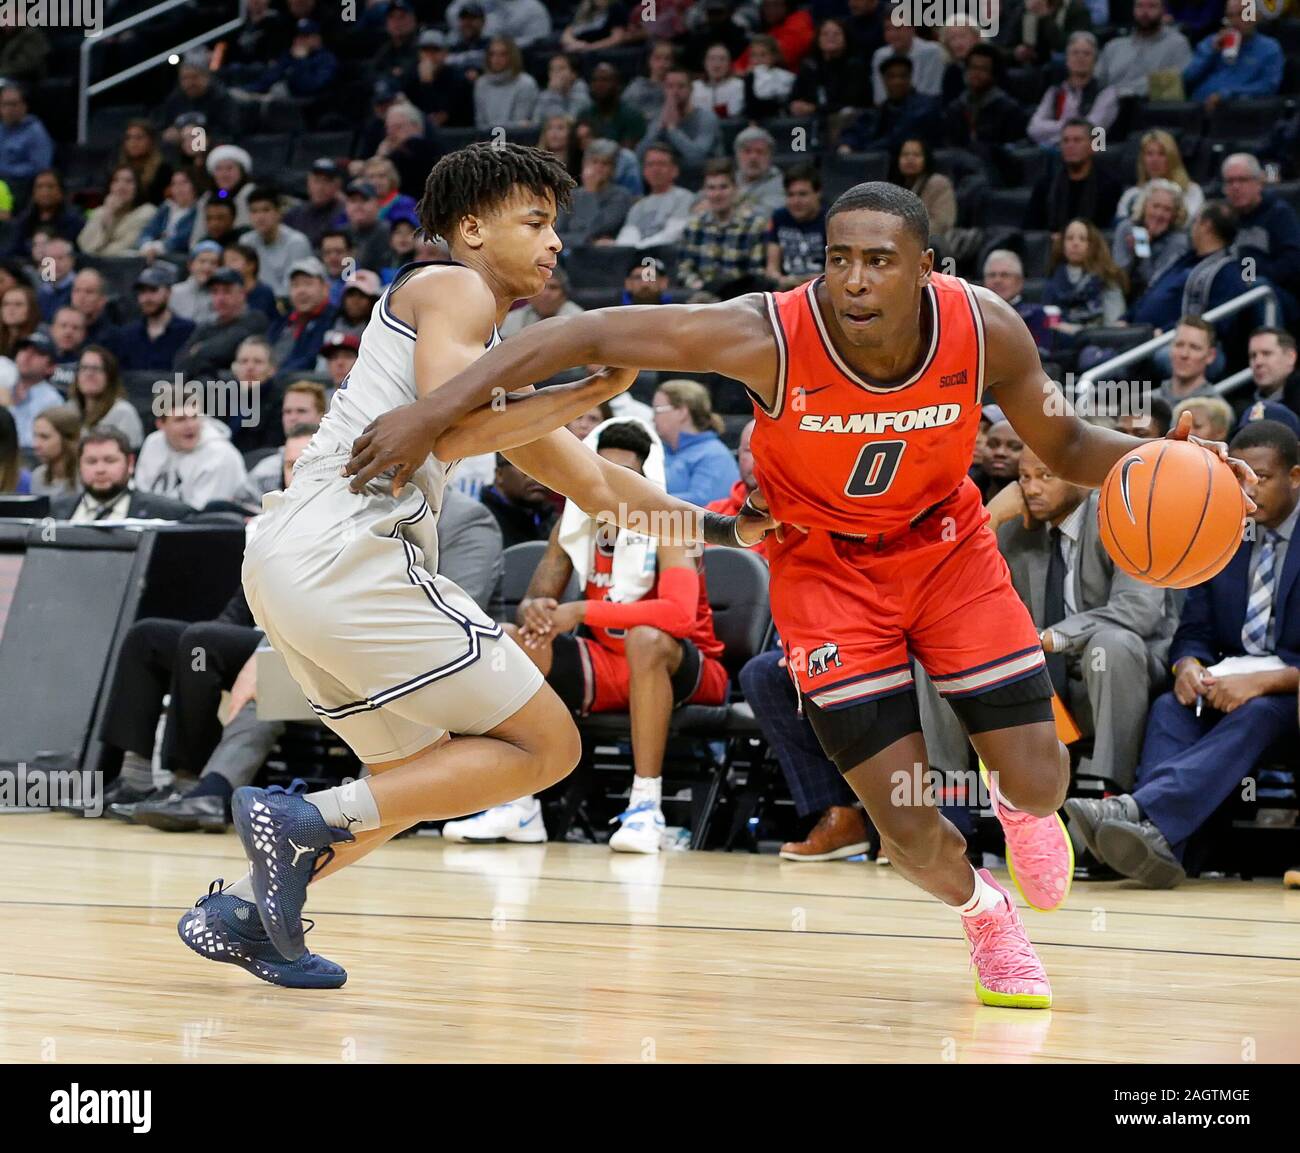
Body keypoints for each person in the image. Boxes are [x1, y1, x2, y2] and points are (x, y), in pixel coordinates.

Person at [347, 179, 1256, 1009]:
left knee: (1040, 773)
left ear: (927, 271)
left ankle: (1020, 805)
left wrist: (1163, 461)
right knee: (902, 818)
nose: (853, 280)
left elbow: (1062, 447)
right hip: (822, 569)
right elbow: (576, 334)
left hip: (946, 550)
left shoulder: (985, 329)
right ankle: (986, 916)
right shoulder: (766, 333)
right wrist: (431, 412)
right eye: (838, 259)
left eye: (878, 261)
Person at [183, 143, 772, 989]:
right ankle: (300, 813)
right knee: (548, 743)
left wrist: (729, 530)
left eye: (558, 226)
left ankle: (240, 910)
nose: (555, 242)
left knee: (410, 782)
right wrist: (583, 390)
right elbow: (446, 426)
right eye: (535, 221)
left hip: (291, 564)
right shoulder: (450, 285)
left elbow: (601, 485)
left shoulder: (491, 356)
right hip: (346, 548)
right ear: (469, 229)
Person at [444, 419, 730, 851]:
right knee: (511, 639)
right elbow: (536, 601)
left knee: (646, 639)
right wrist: (537, 610)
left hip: (688, 670)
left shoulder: (671, 524)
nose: (614, 488)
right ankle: (519, 802)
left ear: (647, 480)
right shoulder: (575, 523)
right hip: (611, 664)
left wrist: (582, 610)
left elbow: (678, 618)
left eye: (627, 477)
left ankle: (646, 806)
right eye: (602, 473)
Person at [1066, 420, 1299, 888]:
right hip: (1225, 685)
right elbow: (1193, 631)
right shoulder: (1222, 531)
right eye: (1240, 478)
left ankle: (1137, 811)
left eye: (1262, 477)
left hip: (1285, 700)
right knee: (1171, 709)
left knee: (1259, 713)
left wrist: (1263, 683)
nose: (1248, 491)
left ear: (1296, 476)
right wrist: (1187, 665)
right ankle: (1163, 850)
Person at [997, 446, 1174, 790]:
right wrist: (989, 519)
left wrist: (1052, 637)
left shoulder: (1123, 518)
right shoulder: (1015, 528)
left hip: (1126, 665)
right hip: (1045, 670)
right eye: (1024, 478)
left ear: (1083, 475)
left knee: (1109, 647)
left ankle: (1106, 789)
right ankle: (958, 799)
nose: (1031, 489)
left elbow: (1139, 608)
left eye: (1045, 476)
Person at [50, 426, 194, 522]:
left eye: (110, 461)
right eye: (91, 462)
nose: (100, 469)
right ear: (79, 465)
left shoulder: (166, 513)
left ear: (130, 464)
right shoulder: (55, 511)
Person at [134, 390, 248, 509]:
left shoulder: (221, 455)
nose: (190, 426)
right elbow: (141, 495)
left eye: (194, 417)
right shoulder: (153, 443)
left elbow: (204, 515)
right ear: (161, 424)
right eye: (180, 420)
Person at [675, 160, 769, 294]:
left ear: (736, 189)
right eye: (711, 188)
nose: (717, 194)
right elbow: (684, 270)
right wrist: (700, 287)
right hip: (701, 299)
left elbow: (756, 273)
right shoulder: (693, 226)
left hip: (739, 298)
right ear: (704, 192)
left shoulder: (754, 226)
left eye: (723, 187)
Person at [1026, 118, 1123, 234]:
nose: (1070, 145)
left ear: (1093, 146)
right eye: (1065, 141)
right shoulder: (1045, 186)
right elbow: (1030, 230)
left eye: (1077, 140)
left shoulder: (1110, 186)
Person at [1182, 0, 1284, 108]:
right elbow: (1187, 78)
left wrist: (1228, 94)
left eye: (1241, 14)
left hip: (1240, 111)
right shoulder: (1212, 42)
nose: (1235, 22)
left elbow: (1268, 87)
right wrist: (1211, 52)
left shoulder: (1270, 48)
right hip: (1198, 109)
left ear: (1256, 16)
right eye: (1230, 16)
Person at [654, 379, 740, 505]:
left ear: (682, 412)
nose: (653, 417)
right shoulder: (659, 450)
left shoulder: (714, 455)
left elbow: (703, 503)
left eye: (658, 410)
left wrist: (646, 500)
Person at [174, 267, 270, 380]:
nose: (220, 298)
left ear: (242, 294)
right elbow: (179, 364)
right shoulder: (205, 327)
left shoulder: (255, 319)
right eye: (215, 292)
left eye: (227, 291)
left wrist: (198, 350)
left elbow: (227, 346)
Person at [1026, 33, 1119, 149]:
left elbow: (1092, 131)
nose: (1080, 58)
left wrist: (1050, 133)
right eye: (1075, 53)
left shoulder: (1107, 93)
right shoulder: (1055, 91)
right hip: (1056, 152)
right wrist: (1067, 127)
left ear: (1095, 61)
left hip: (1093, 154)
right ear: (1067, 60)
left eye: (1086, 54)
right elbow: (1033, 128)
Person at [1095, 0, 1191, 99]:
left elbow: (1176, 83)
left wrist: (1123, 92)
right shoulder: (1114, 46)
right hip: (1107, 107)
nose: (1144, 12)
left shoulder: (1177, 44)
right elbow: (1096, 81)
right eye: (1139, 6)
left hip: (1152, 109)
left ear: (1163, 10)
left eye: (1152, 6)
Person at [1114, 130, 1204, 225]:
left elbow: (1186, 225)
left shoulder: (1191, 191)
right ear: (1142, 160)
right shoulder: (1131, 195)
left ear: (1172, 158)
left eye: (1161, 154)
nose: (1154, 160)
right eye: (1149, 154)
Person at [613, 144, 695, 249]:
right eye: (650, 164)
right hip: (639, 259)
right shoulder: (638, 206)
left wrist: (640, 249)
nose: (655, 169)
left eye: (661, 164)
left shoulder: (684, 197)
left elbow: (674, 234)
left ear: (675, 171)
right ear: (644, 171)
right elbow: (627, 238)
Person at [69, 344, 145, 451]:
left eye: (96, 368)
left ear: (110, 377)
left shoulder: (123, 412)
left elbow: (130, 455)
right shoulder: (69, 409)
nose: (89, 374)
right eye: (84, 368)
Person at [244, 186, 313, 299]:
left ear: (278, 212)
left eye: (266, 210)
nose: (260, 217)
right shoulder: (246, 242)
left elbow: (298, 285)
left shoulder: (297, 242)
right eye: (254, 211)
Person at [764, 164, 826, 290]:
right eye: (790, 195)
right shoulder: (779, 217)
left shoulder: (830, 220)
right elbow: (771, 269)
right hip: (786, 288)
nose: (796, 201)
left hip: (821, 288)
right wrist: (782, 280)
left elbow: (839, 270)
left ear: (818, 193)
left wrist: (807, 282)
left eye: (802, 194)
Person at [479, 451, 560, 547]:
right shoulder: (478, 523)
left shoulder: (559, 526)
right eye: (524, 464)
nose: (537, 475)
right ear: (499, 474)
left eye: (544, 466)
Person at [77, 166, 155, 257]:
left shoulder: (147, 212)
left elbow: (127, 246)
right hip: (96, 265)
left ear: (138, 187)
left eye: (128, 181)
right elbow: (84, 246)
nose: (121, 186)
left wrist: (98, 254)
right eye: (116, 181)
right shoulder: (100, 212)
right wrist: (108, 214)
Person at [499, 265, 582, 338]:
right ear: (529, 296)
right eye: (541, 287)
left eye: (553, 287)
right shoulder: (513, 318)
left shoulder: (578, 319)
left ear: (564, 295)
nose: (546, 294)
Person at [1155, 317, 1219, 407]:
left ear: (1210, 356)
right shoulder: (1146, 402)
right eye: (1179, 345)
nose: (1184, 354)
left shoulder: (1216, 411)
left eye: (1194, 347)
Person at [27, 403, 80, 498]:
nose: (36, 445)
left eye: (44, 437)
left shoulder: (87, 478)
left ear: (68, 439)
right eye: (35, 436)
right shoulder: (38, 476)